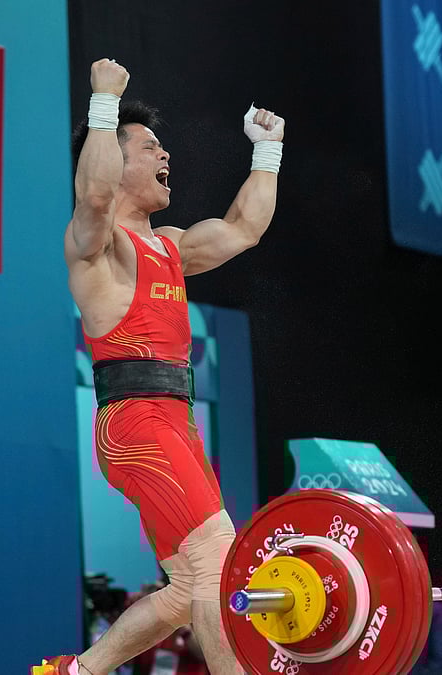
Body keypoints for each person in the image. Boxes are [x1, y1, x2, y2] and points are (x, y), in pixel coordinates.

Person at [36, 57, 284, 675]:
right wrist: (102, 101)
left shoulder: (169, 247)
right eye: (148, 147)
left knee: (183, 593)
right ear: (116, 160)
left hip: (174, 425)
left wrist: (268, 153)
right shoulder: (95, 246)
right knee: (217, 564)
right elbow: (94, 193)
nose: (164, 153)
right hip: (136, 424)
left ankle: (80, 671)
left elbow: (243, 228)